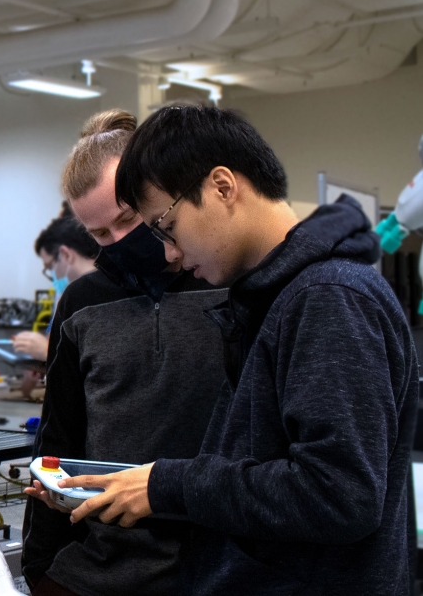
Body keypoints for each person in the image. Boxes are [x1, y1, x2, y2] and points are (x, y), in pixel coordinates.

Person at [64, 103, 417, 594]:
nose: (168, 253)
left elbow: (338, 496)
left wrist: (168, 485)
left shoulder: (328, 299)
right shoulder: (277, 299)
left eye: (166, 227)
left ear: (222, 186)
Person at [19, 110, 227, 596]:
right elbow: (60, 438)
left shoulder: (229, 284)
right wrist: (41, 567)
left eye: (128, 220)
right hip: (101, 570)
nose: (118, 244)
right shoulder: (82, 303)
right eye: (99, 235)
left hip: (216, 567)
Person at [10, 214, 99, 363]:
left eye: (50, 266)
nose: (53, 275)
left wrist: (46, 351)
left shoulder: (106, 297)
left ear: (65, 254)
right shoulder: (71, 297)